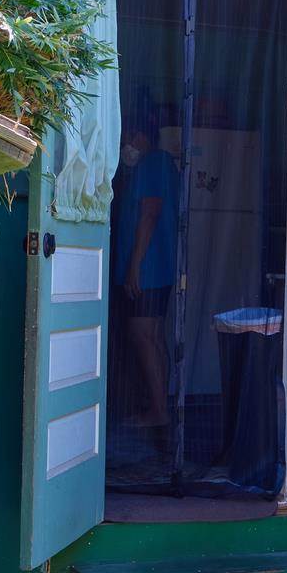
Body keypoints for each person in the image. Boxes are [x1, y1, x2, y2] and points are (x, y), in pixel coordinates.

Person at [111, 118, 183, 456]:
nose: (126, 143)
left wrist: (135, 266)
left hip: (149, 270)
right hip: (160, 269)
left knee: (143, 336)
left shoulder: (153, 163)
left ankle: (158, 412)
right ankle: (160, 408)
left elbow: (150, 213)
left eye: (128, 136)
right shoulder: (165, 164)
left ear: (142, 134)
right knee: (152, 336)